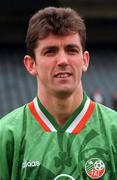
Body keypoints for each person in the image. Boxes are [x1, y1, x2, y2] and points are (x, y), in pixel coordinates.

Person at [0, 7, 117, 180]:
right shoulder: (6, 135)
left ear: (84, 60)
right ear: (31, 64)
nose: (63, 60)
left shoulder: (113, 130)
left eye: (71, 50)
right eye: (50, 51)